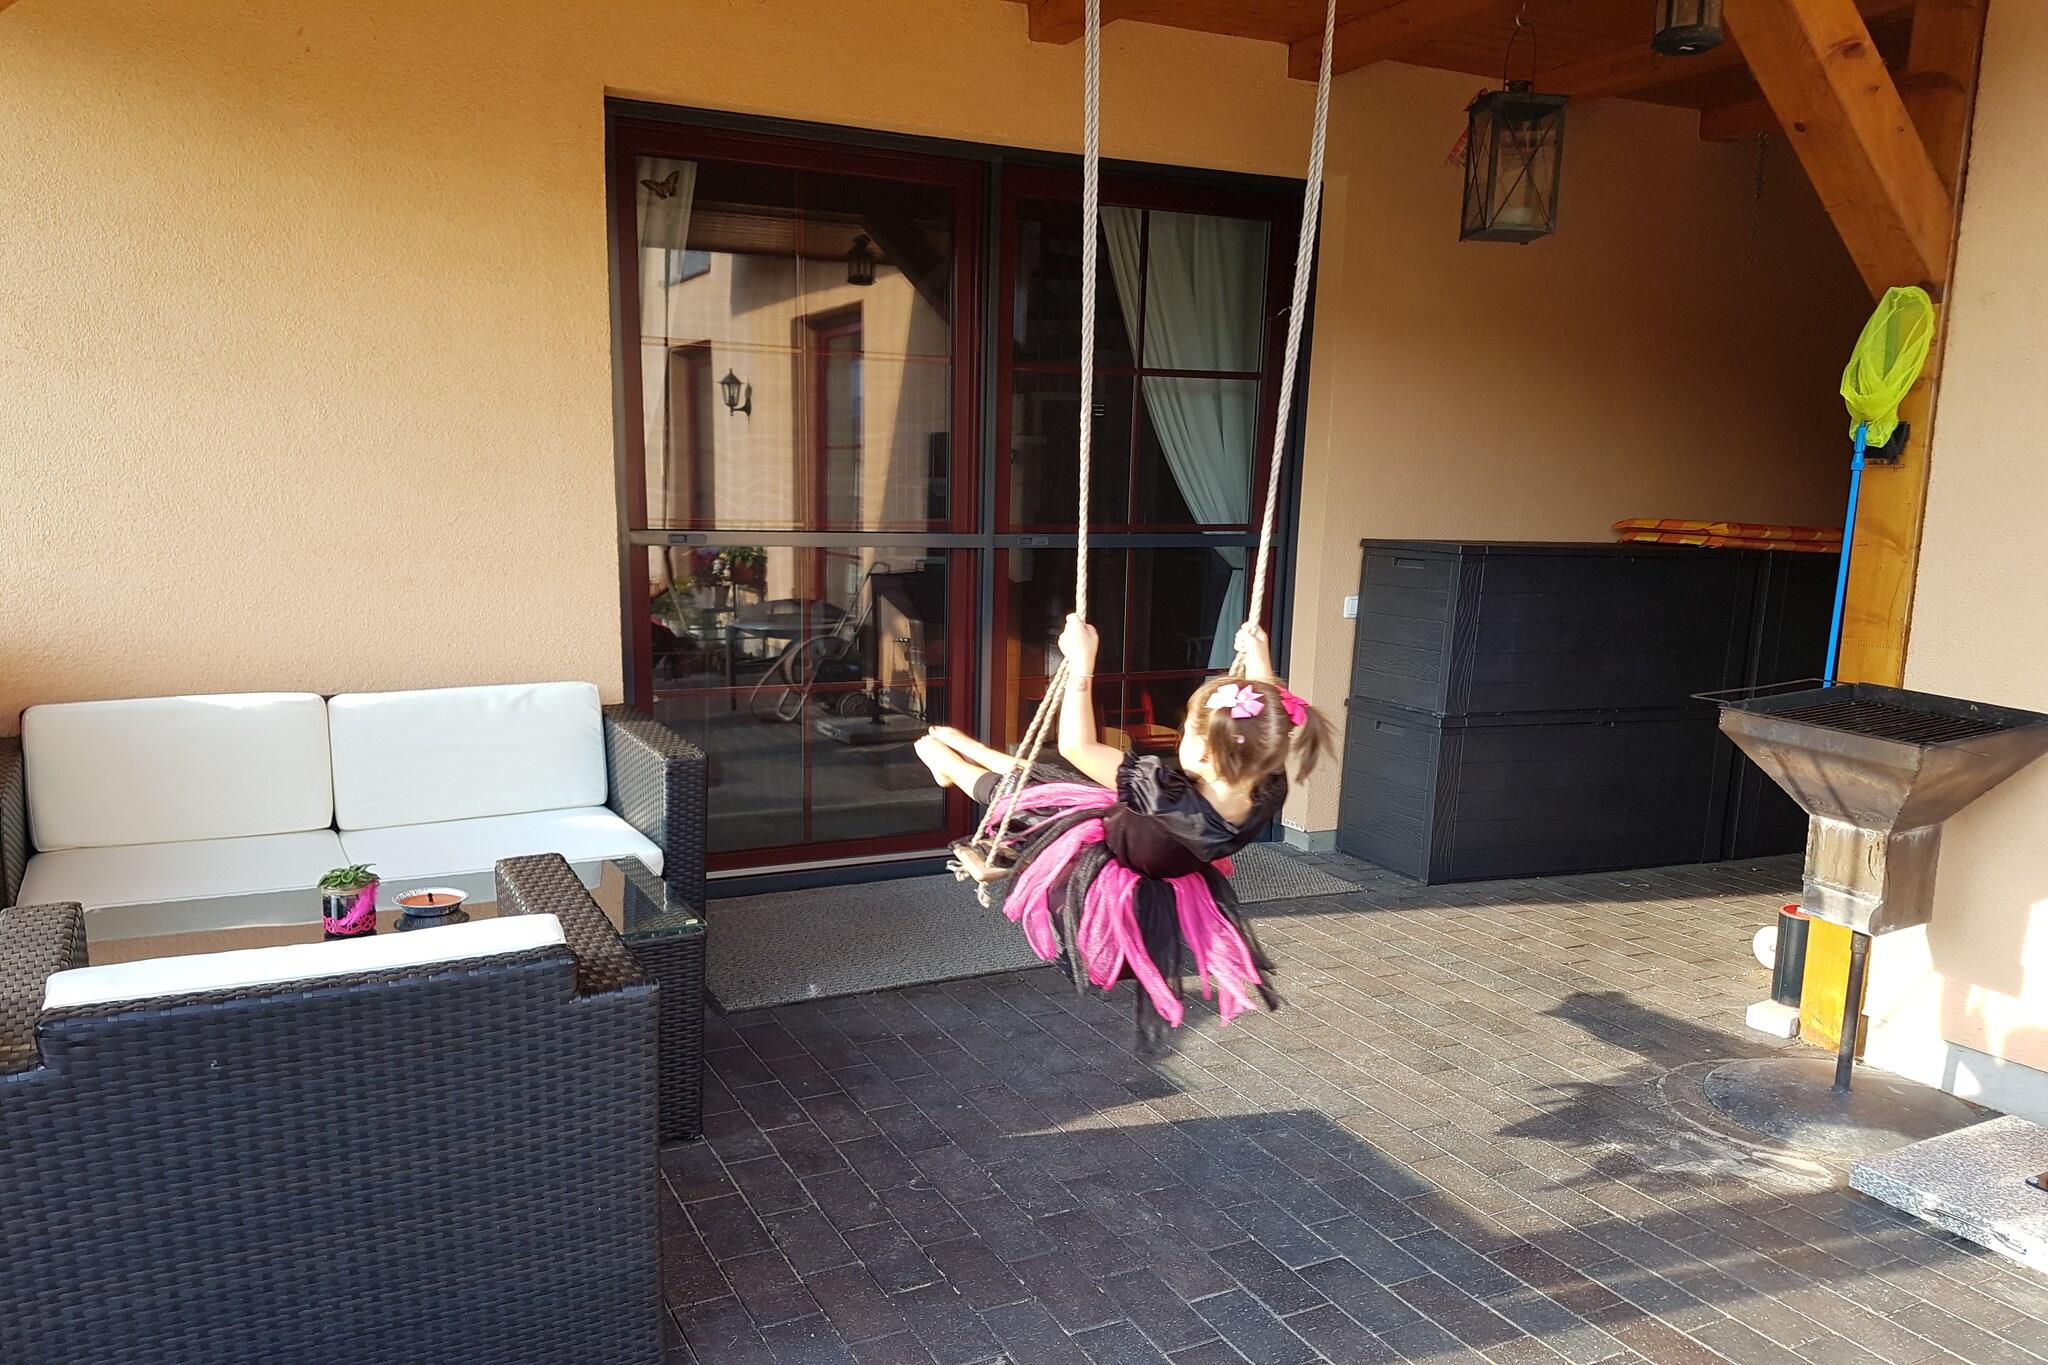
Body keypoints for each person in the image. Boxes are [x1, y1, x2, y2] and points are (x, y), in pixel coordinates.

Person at [915, 616, 1331, 1030]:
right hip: (1147, 841)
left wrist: (1081, 661)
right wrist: (1259, 659)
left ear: (1206, 753)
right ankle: (971, 750)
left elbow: (1078, 746)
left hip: (1103, 857)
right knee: (1048, 781)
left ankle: (947, 762)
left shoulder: (1163, 794)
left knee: (1020, 796)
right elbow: (1269, 724)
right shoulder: (1267, 786)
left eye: (1187, 731)